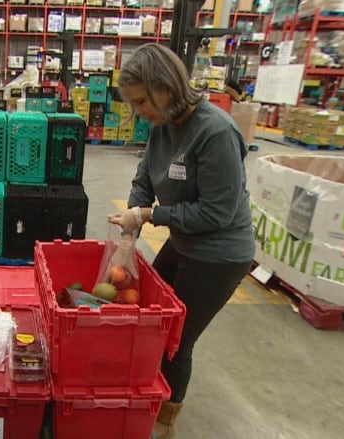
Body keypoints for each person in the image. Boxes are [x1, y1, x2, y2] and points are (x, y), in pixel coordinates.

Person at [108, 43, 255, 439]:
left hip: (219, 255)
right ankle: (145, 398)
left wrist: (151, 215)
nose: (140, 112)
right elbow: (145, 177)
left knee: (175, 340)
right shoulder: (163, 127)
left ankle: (162, 424)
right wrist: (132, 220)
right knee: (149, 320)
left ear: (166, 87)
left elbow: (215, 213)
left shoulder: (215, 132)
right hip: (185, 242)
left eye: (142, 102)